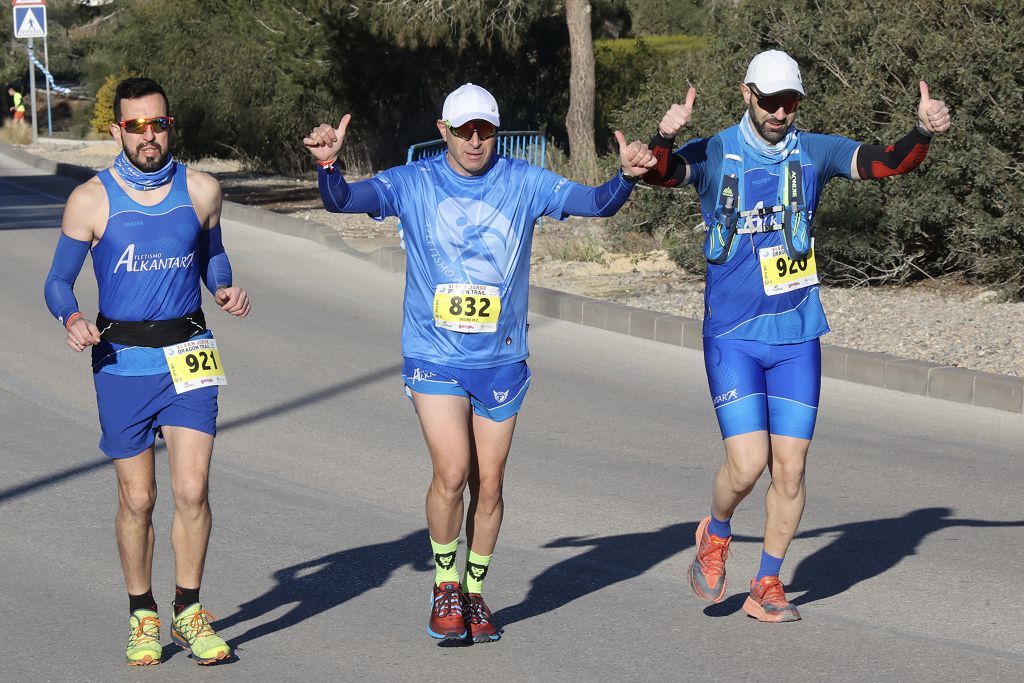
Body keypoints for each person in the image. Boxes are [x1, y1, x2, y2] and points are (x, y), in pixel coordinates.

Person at [303, 83, 655, 642]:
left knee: (489, 486)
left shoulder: (523, 181)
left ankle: (473, 591)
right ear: (442, 130)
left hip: (501, 360)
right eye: (463, 129)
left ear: (496, 130)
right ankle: (444, 584)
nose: (474, 140)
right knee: (453, 472)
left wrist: (628, 178)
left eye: (484, 130)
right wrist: (329, 165)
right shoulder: (412, 182)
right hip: (433, 354)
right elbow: (343, 200)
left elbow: (594, 203)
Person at [643, 50, 950, 622]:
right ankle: (715, 531)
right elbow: (662, 173)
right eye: (771, 101)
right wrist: (662, 136)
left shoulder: (814, 150)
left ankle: (766, 583)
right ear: (747, 94)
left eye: (791, 102)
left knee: (792, 465)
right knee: (747, 464)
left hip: (797, 335)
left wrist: (921, 132)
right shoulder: (716, 151)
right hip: (733, 335)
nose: (781, 112)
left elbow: (883, 164)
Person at [44, 77, 250, 664]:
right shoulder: (92, 199)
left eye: (158, 123)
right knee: (138, 499)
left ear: (170, 125)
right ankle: (142, 614)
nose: (148, 135)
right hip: (121, 362)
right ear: (117, 131)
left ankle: (189, 610)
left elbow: (213, 256)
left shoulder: (202, 190)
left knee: (193, 490)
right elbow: (57, 280)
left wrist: (225, 287)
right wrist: (72, 317)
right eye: (136, 125)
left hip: (190, 351)